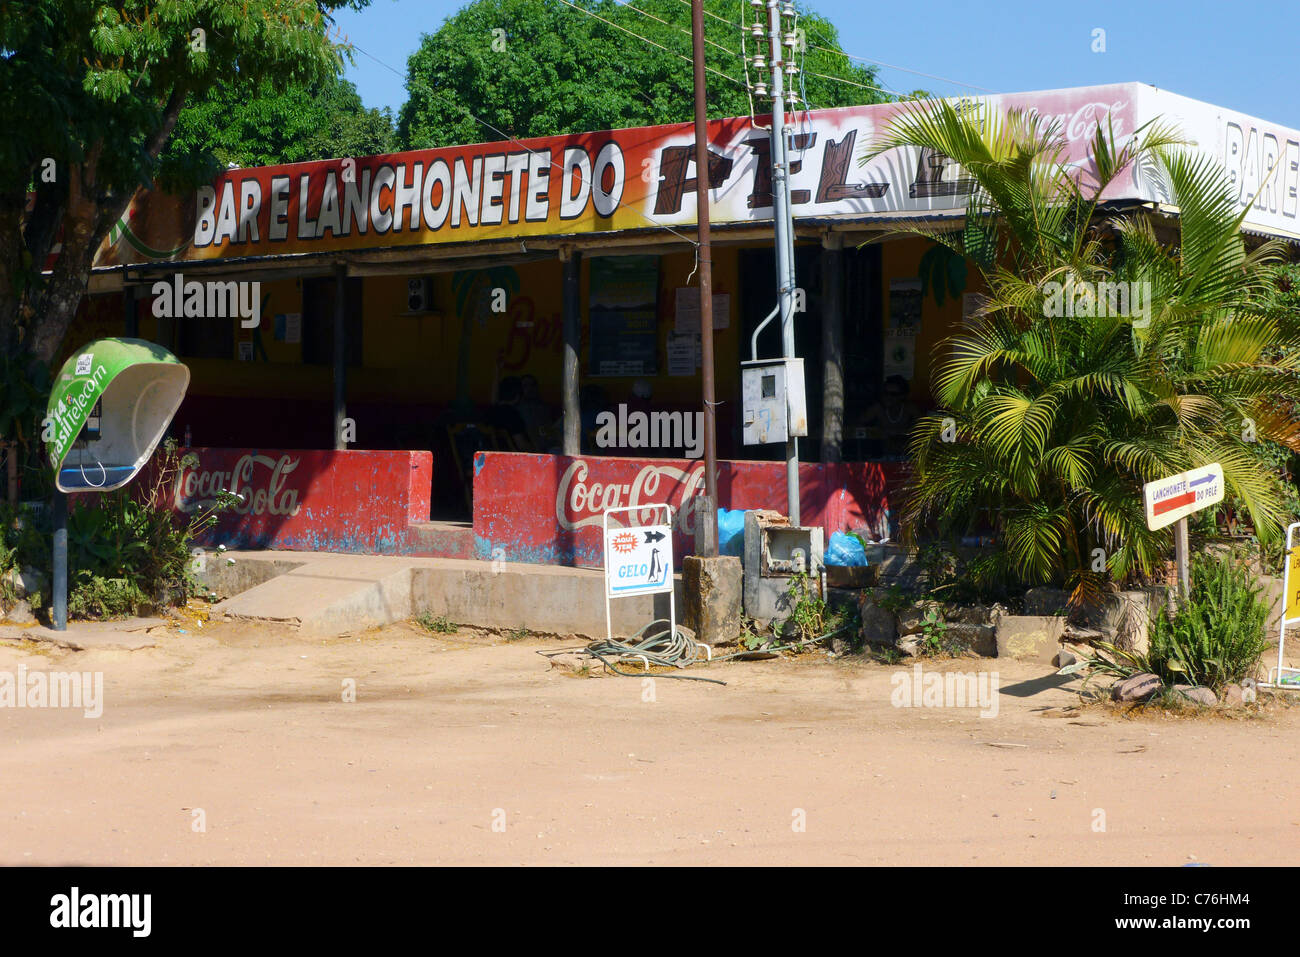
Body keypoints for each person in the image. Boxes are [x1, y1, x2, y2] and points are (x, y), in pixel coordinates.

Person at [858, 375, 920, 459]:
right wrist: (875, 432)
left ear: (903, 396)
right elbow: (858, 426)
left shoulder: (910, 409)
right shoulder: (877, 408)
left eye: (893, 394)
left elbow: (923, 430)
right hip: (882, 456)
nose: (888, 397)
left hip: (907, 456)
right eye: (885, 393)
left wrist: (902, 433)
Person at [484, 376, 533, 451]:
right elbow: (522, 446)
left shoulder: (489, 411)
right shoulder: (513, 415)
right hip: (512, 458)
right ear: (518, 396)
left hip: (490, 456)